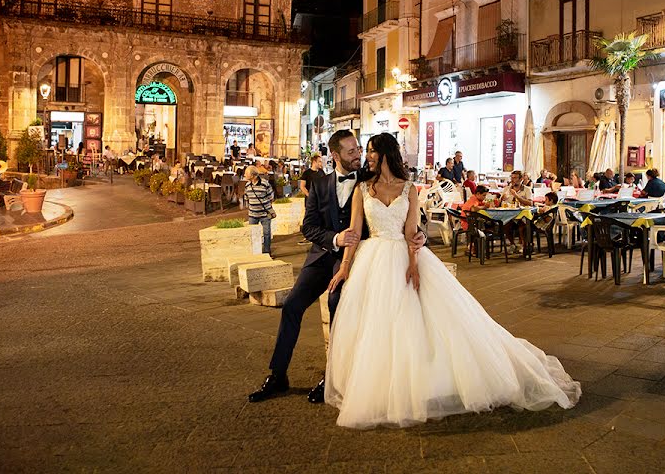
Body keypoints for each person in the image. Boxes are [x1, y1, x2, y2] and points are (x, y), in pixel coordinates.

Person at [323, 133, 580, 428]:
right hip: (373, 259)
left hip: (403, 256)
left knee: (417, 322)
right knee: (377, 326)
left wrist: (414, 265)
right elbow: (355, 232)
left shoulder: (408, 189)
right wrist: (344, 268)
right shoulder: (363, 188)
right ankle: (376, 384)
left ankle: (420, 384)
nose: (367, 156)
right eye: (366, 151)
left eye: (371, 151)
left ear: (385, 154)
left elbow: (411, 231)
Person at [248, 130, 427, 405]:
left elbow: (407, 216)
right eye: (352, 151)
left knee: (337, 304)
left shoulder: (371, 179)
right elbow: (307, 227)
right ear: (336, 155)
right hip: (321, 257)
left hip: (357, 260)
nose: (359, 156)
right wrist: (335, 238)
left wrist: (420, 236)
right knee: (292, 305)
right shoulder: (319, 184)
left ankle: (332, 377)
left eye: (360, 150)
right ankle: (278, 374)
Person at [244, 166, 274, 254]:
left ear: (253, 175)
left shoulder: (265, 184)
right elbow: (246, 197)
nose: (245, 175)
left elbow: (271, 197)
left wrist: (266, 206)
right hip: (252, 215)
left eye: (246, 173)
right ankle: (255, 251)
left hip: (264, 214)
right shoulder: (247, 185)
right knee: (253, 234)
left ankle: (267, 252)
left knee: (267, 234)